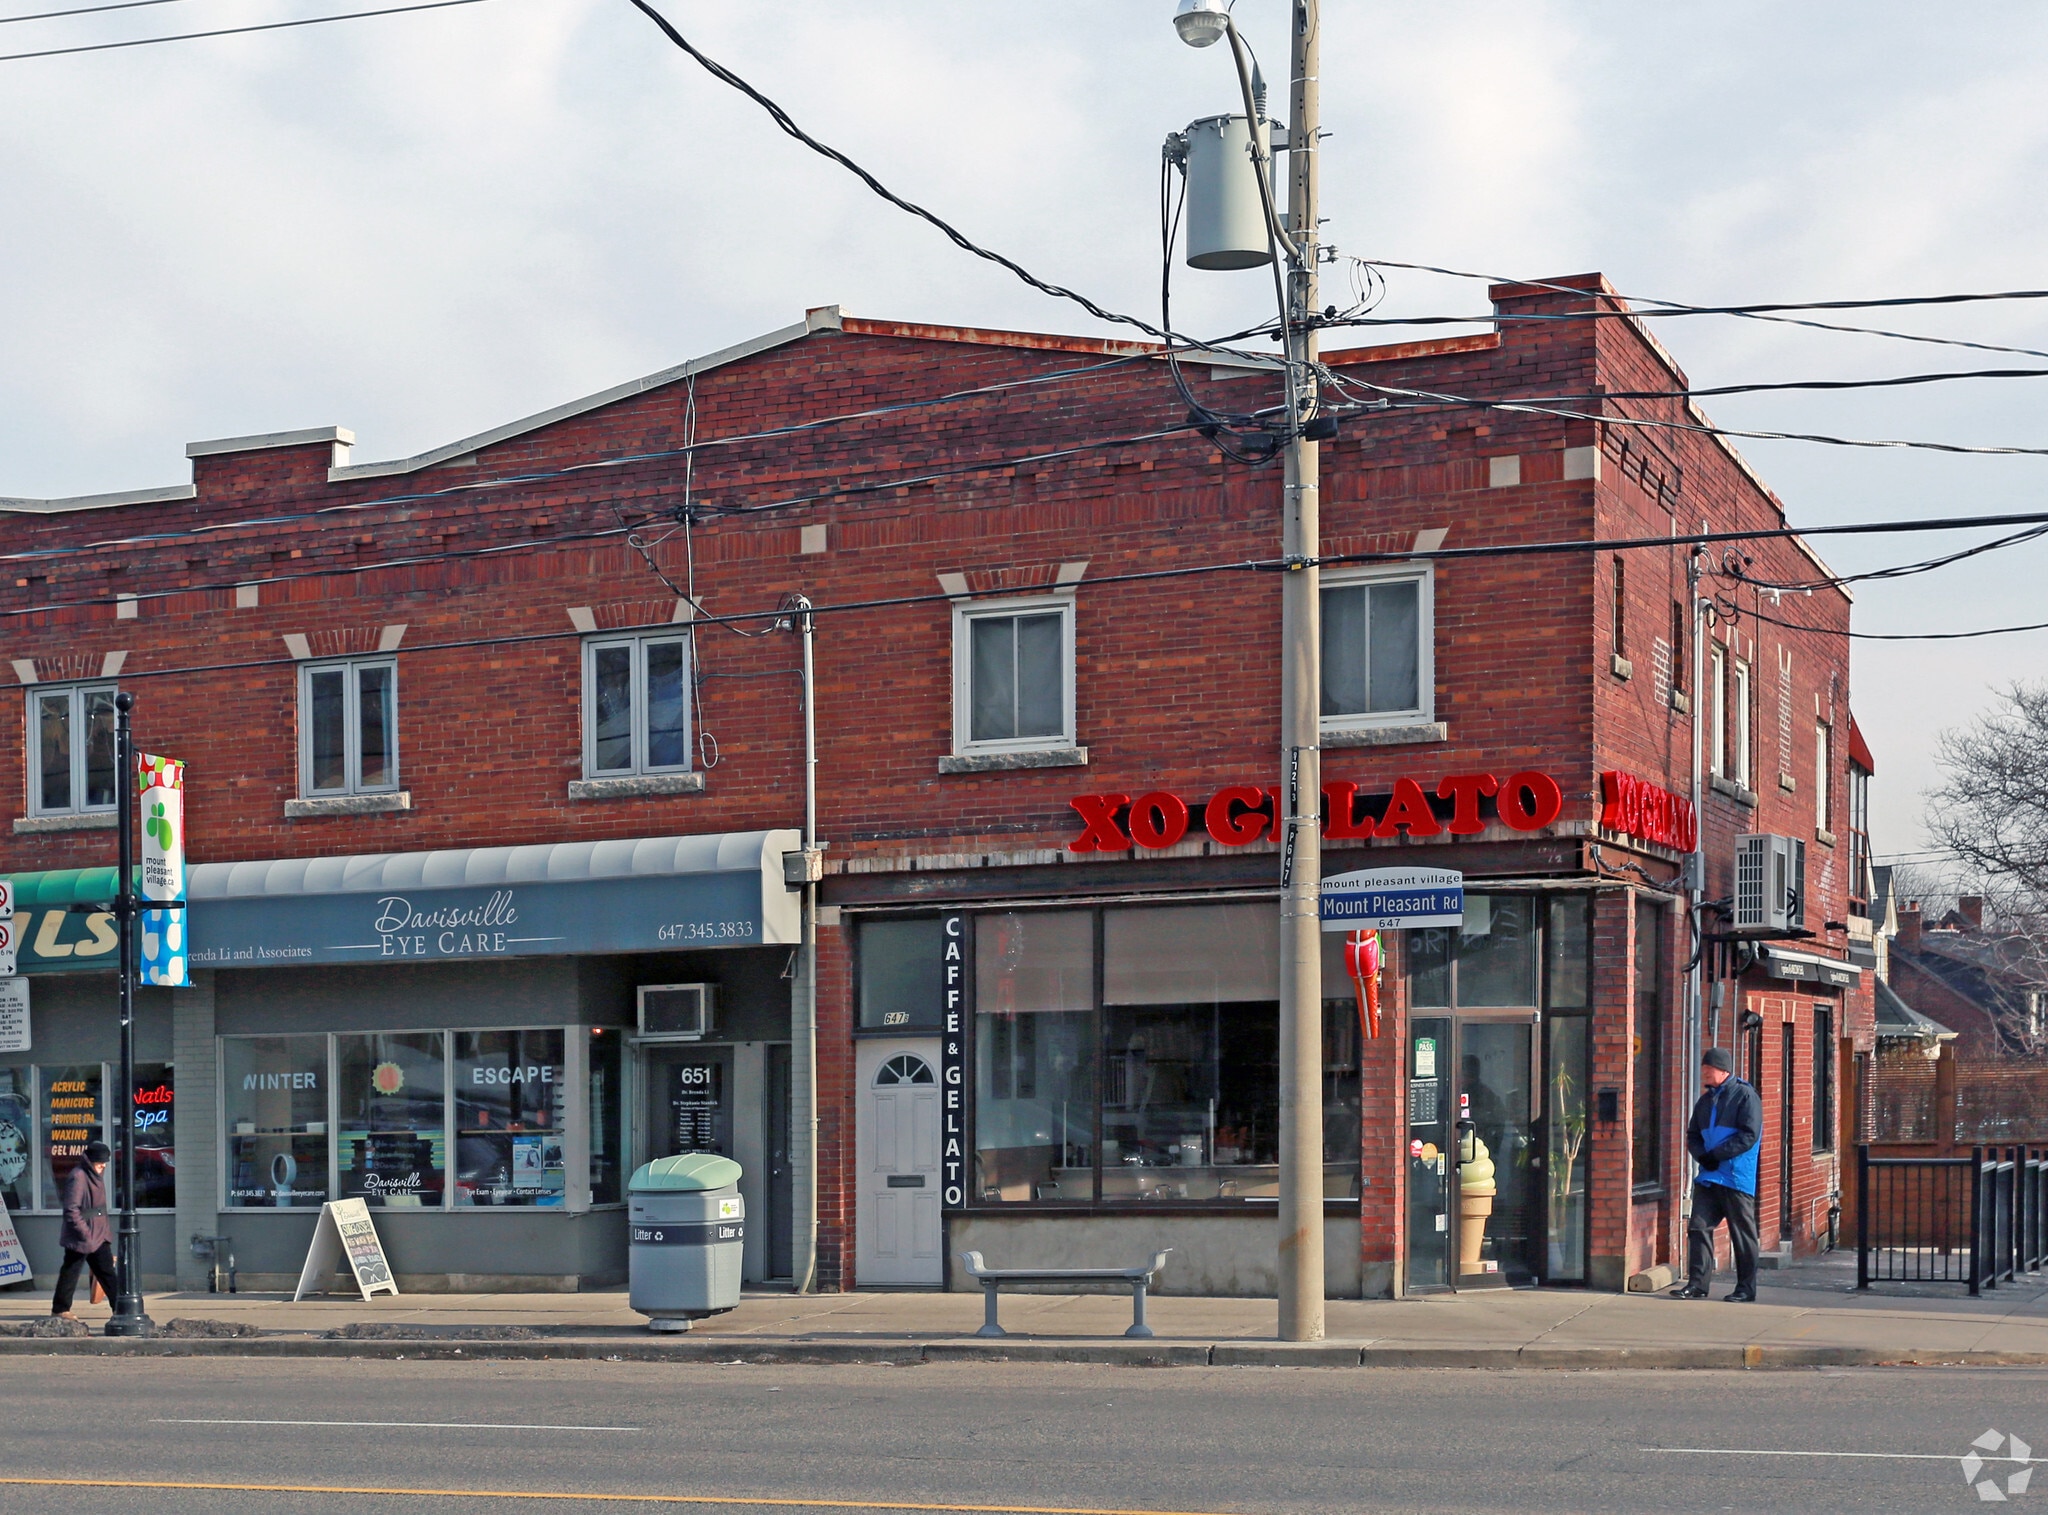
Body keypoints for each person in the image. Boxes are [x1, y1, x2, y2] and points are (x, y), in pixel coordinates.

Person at [1672, 1047, 1762, 1302]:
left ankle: (1746, 1289)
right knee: (1698, 1227)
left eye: (1708, 1069)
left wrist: (1716, 1155)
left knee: (1742, 1234)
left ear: (1723, 1070)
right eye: (1703, 1069)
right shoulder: (1706, 1100)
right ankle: (1697, 1285)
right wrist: (1703, 1157)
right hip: (1710, 1176)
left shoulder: (1746, 1096)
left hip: (1735, 1176)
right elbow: (1693, 1135)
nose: (1704, 1073)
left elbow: (1748, 1135)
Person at [51, 1140, 118, 1320]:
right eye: (99, 1162)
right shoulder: (79, 1176)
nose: (103, 1165)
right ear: (91, 1161)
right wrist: (85, 1234)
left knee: (106, 1272)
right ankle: (60, 1309)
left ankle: (120, 1308)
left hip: (98, 1233)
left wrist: (102, 1232)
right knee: (71, 1271)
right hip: (83, 1235)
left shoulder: (95, 1174)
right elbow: (71, 1209)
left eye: (105, 1162)